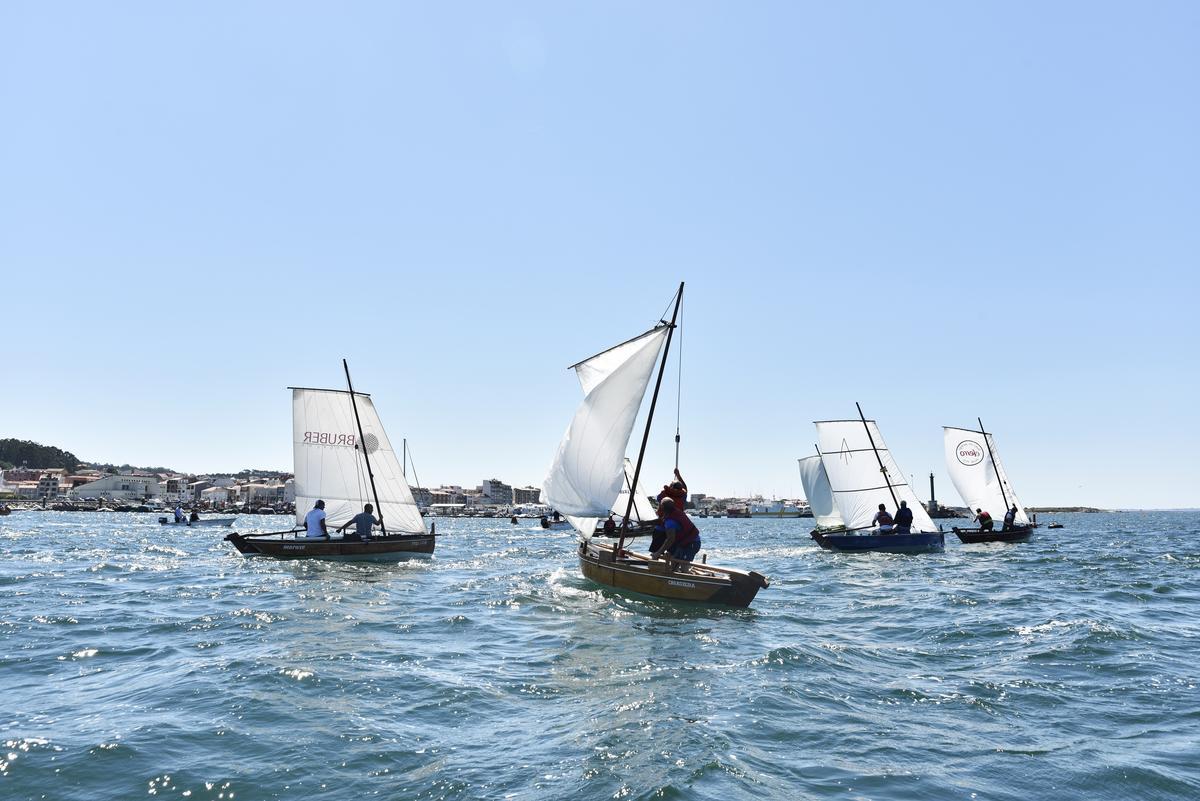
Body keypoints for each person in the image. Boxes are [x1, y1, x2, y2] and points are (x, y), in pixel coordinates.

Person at [651, 498, 701, 564]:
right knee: (674, 564)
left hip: (692, 544)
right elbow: (661, 521)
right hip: (685, 543)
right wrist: (645, 523)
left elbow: (670, 539)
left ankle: (684, 571)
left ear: (662, 507)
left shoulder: (670, 521)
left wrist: (658, 553)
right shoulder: (674, 513)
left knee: (684, 567)